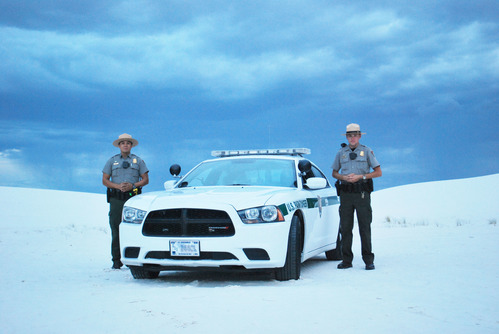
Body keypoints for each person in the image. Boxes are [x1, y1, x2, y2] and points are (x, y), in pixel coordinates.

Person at [332, 123, 382, 270]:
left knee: (364, 227)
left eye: (355, 135)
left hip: (361, 194)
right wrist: (343, 177)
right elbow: (334, 172)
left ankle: (368, 260)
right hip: (346, 194)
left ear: (359, 136)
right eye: (349, 135)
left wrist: (362, 176)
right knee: (345, 228)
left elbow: (378, 172)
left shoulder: (367, 152)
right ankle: (346, 260)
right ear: (346, 137)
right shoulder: (341, 153)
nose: (352, 138)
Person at [102, 133, 149, 269]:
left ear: (131, 145)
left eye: (128, 143)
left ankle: (133, 259)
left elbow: (145, 179)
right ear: (119, 145)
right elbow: (104, 180)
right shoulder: (111, 161)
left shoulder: (138, 161)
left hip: (133, 198)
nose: (125, 145)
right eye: (122, 143)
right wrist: (117, 186)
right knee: (116, 228)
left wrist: (133, 185)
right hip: (116, 199)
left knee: (133, 228)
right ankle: (116, 260)